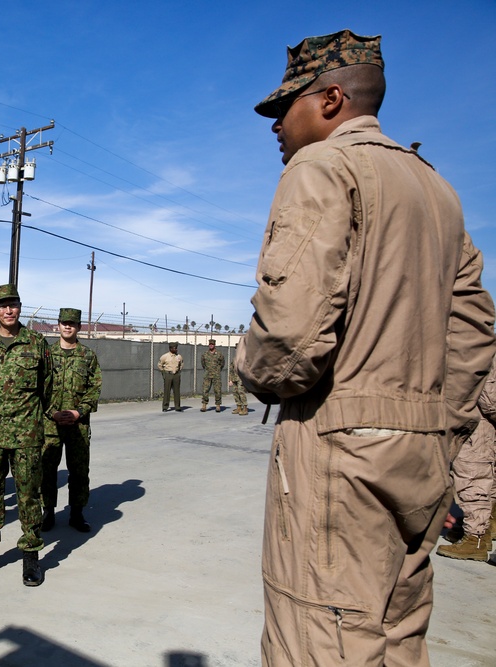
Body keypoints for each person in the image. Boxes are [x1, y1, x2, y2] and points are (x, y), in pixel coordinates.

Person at [236, 30, 495, 664]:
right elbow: (472, 330)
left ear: (329, 100)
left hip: (337, 452)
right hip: (422, 451)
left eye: (284, 105)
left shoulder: (323, 166)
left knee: (318, 631)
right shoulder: (437, 190)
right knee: (398, 630)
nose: (275, 125)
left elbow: (290, 337)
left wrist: (256, 371)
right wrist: (438, 421)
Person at [0, 284, 52, 587]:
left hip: (26, 434)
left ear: (19, 306)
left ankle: (31, 556)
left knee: (29, 495)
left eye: (12, 304)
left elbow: (48, 388)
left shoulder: (37, 343)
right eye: (1, 305)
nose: (7, 310)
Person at [41, 308, 102, 533]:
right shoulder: (46, 354)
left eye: (72, 323)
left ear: (79, 327)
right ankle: (47, 512)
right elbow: (39, 389)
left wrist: (79, 412)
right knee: (47, 470)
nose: (68, 327)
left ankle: (77, 513)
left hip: (78, 424)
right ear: (58, 325)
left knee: (78, 471)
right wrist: (52, 413)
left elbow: (94, 387)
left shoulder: (87, 356)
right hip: (50, 424)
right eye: (64, 323)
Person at [437, 352, 496, 561]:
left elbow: (490, 399)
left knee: (474, 481)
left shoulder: (478, 353)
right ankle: (480, 531)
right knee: (477, 480)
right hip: (472, 422)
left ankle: (476, 539)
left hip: (475, 426)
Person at [156, 342, 183, 412]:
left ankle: (177, 406)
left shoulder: (179, 356)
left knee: (177, 391)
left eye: (176, 348)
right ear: (170, 348)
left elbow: (181, 364)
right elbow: (159, 365)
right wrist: (164, 372)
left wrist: (178, 371)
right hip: (168, 374)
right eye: (174, 348)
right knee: (167, 391)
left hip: (176, 374)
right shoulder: (165, 356)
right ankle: (165, 406)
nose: (176, 349)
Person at [200, 339, 224, 412]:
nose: (211, 345)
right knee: (205, 390)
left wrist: (217, 370)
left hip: (216, 375)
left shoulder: (219, 354)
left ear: (214, 345)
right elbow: (203, 363)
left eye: (212, 344)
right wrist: (207, 369)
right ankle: (204, 405)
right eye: (210, 344)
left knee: (217, 390)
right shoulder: (205, 354)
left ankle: (218, 405)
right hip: (207, 374)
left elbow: (222, 363)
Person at [228, 341, 249, 416]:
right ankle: (239, 407)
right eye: (236, 349)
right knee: (235, 393)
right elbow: (231, 369)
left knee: (241, 392)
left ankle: (245, 408)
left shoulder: (245, 358)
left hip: (241, 379)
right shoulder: (234, 359)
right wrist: (230, 379)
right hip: (234, 378)